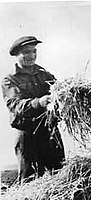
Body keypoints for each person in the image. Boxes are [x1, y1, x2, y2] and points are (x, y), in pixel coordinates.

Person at [1, 36, 65, 183]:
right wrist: (39, 102)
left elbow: (59, 93)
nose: (32, 56)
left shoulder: (45, 75)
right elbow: (15, 105)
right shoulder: (10, 79)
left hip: (50, 132)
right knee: (30, 180)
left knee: (60, 176)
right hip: (28, 135)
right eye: (26, 52)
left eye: (34, 51)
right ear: (17, 55)